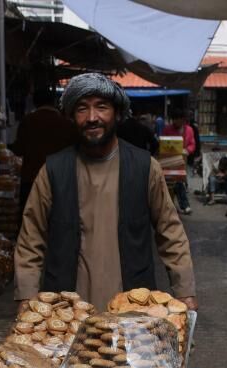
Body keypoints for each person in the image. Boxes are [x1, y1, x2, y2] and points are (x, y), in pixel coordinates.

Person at [14, 73, 197, 312]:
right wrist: (26, 296)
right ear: (71, 116)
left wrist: (184, 292)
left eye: (101, 107)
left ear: (117, 114)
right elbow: (31, 239)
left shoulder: (144, 167)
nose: (92, 117)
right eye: (82, 108)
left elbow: (170, 231)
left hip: (133, 311)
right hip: (66, 310)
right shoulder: (53, 171)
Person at [11, 88, 79, 222]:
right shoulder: (67, 124)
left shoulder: (28, 121)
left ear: (35, 103)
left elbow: (19, 149)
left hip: (32, 179)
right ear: (54, 102)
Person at [162, 108, 197, 215]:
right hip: (169, 160)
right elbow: (162, 143)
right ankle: (183, 205)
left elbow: (192, 144)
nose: (176, 122)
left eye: (179, 119)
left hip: (183, 160)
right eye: (175, 120)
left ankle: (176, 205)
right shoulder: (167, 129)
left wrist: (188, 150)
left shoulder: (189, 130)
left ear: (183, 119)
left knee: (178, 181)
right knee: (174, 182)